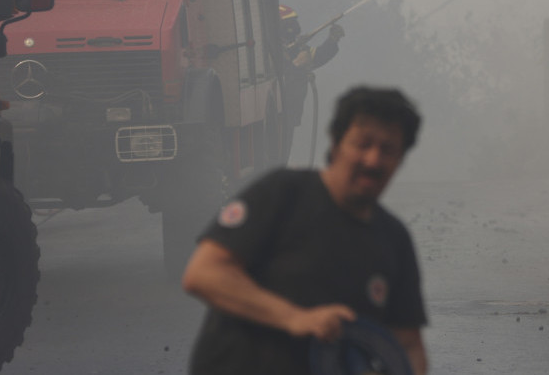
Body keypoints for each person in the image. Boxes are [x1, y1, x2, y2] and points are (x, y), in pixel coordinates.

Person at [183, 86, 428, 375]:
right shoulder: (282, 193)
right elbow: (203, 274)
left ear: (400, 160)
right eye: (363, 143)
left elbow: (408, 344)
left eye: (388, 150)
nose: (373, 159)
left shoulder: (394, 239)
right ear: (336, 144)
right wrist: (295, 318)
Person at [279, 4, 344, 160]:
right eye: (290, 23)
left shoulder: (293, 47)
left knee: (281, 159)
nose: (294, 28)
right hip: (276, 114)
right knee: (273, 159)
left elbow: (317, 57)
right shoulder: (268, 50)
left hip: (289, 115)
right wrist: (295, 66)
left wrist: (332, 41)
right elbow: (276, 77)